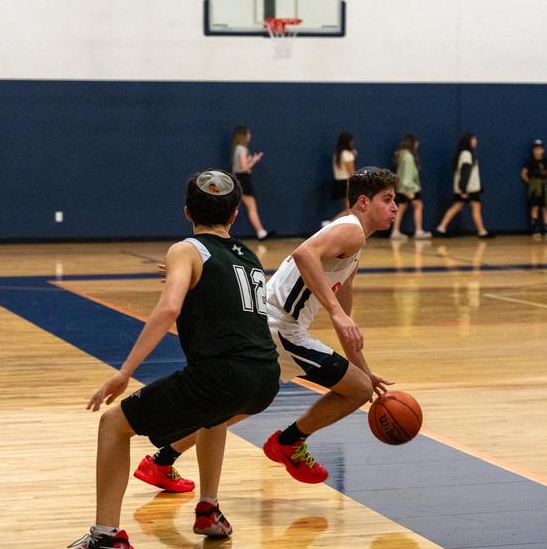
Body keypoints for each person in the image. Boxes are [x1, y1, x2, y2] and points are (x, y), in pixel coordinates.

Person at [138, 167, 399, 487]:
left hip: (268, 325)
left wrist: (364, 370)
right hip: (280, 326)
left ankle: (161, 460)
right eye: (387, 199)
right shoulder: (351, 230)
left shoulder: (351, 243)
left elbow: (346, 322)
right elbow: (304, 255)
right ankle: (289, 442)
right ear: (363, 202)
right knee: (356, 390)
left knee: (241, 406)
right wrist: (336, 316)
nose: (395, 207)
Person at [68, 171, 281, 549]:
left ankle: (106, 537)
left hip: (222, 375)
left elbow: (169, 308)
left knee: (114, 424)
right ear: (235, 215)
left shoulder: (186, 249)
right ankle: (209, 510)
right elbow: (222, 289)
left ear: (187, 211)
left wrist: (125, 372)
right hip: (266, 379)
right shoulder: (248, 257)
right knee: (214, 416)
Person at [434, 133, 493, 238]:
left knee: (457, 206)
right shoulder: (467, 154)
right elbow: (465, 171)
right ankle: (482, 231)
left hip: (465, 187)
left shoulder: (463, 154)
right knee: (475, 208)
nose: (476, 141)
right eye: (474, 139)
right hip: (469, 188)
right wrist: (463, 189)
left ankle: (441, 228)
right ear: (469, 141)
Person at [230, 126, 272, 240]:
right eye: (248, 134)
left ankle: (261, 231)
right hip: (243, 179)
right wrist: (254, 161)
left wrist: (252, 160)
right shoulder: (242, 149)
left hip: (238, 178)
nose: (250, 136)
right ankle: (261, 232)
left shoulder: (237, 148)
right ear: (243, 136)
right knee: (251, 207)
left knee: (234, 207)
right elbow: (244, 168)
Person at [391, 135, 431, 240]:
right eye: (416, 142)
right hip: (409, 187)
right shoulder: (408, 156)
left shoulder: (401, 155)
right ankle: (418, 230)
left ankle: (395, 231)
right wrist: (408, 190)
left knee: (401, 207)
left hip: (401, 186)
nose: (417, 144)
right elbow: (407, 175)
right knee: (418, 205)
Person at [520, 140, 547, 236]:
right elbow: (523, 173)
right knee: (535, 207)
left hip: (543, 186)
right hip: (534, 187)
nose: (538, 151)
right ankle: (535, 228)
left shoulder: (546, 161)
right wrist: (530, 183)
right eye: (536, 149)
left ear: (543, 150)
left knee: (545, 207)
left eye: (540, 149)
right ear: (533, 150)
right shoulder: (529, 161)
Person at [329, 132, 357, 218]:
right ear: (348, 142)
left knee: (349, 209)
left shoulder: (337, 154)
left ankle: (332, 223)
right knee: (350, 210)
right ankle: (331, 222)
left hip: (339, 182)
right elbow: (351, 172)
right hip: (347, 182)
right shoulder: (347, 155)